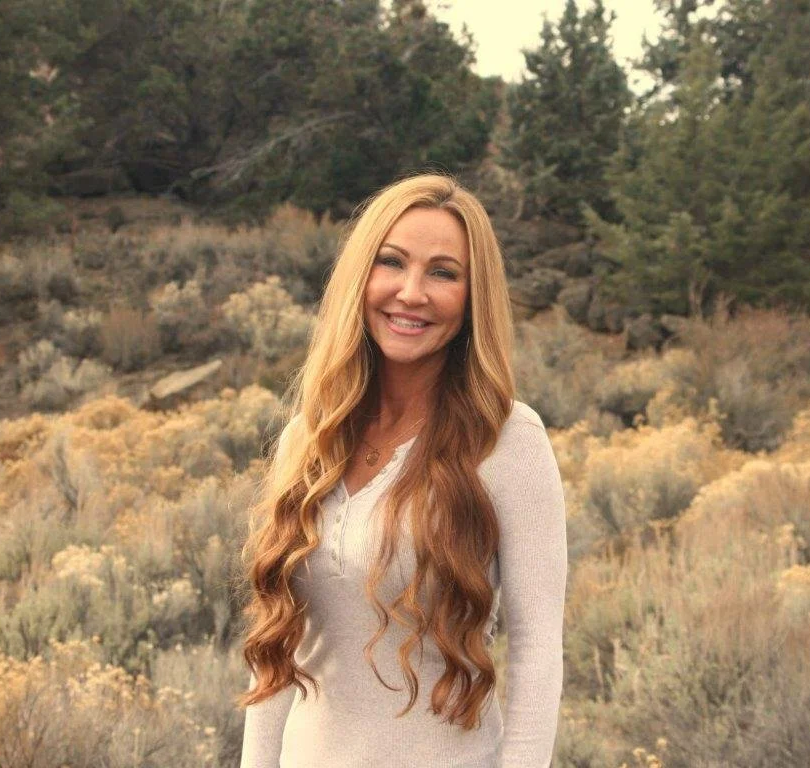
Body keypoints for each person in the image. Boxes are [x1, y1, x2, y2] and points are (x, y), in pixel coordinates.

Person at [237, 173, 567, 768]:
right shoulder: (306, 440)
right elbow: (279, 660)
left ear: (472, 299)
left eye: (443, 273)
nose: (411, 293)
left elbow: (539, 650)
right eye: (392, 263)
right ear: (360, 277)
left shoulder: (509, 441)